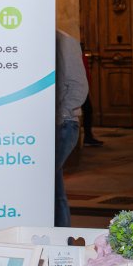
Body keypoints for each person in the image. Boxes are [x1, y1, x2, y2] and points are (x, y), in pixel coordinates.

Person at [55, 28, 89, 227]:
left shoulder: (65, 41)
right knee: (54, 187)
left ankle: (59, 237)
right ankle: (60, 240)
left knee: (48, 185)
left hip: (63, 125)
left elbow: (78, 86)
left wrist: (61, 114)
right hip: (47, 126)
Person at [80, 42, 103, 147]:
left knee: (88, 111)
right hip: (79, 88)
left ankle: (88, 137)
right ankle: (87, 137)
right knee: (87, 110)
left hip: (82, 88)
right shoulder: (77, 55)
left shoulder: (81, 55)